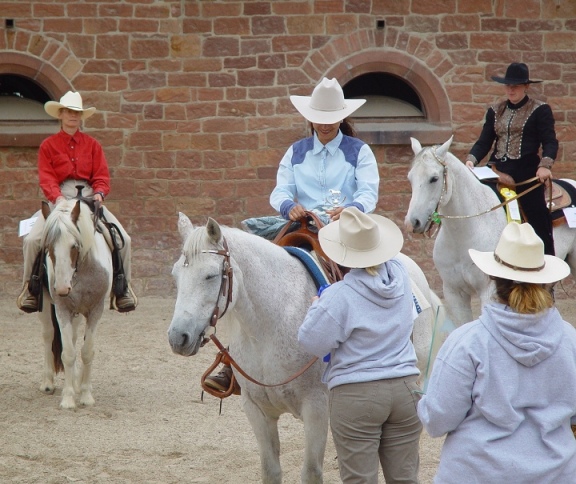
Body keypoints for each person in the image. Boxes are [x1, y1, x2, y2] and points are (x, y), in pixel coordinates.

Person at [206, 78, 380, 392]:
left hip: (344, 227)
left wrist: (351, 208)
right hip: (300, 225)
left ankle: (371, 345)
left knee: (369, 277)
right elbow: (281, 190)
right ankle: (234, 360)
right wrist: (289, 206)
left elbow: (369, 192)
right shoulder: (296, 152)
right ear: (310, 118)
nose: (324, 125)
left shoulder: (359, 151)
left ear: (341, 118)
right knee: (253, 276)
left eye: (331, 119)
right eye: (319, 118)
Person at [418, 222, 576, 483]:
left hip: (476, 473)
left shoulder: (467, 342)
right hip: (555, 475)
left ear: (493, 278)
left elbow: (437, 420)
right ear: (546, 281)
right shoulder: (570, 340)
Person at [297, 206, 422, 484]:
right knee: (405, 479)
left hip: (357, 394)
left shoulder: (339, 296)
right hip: (406, 389)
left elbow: (311, 341)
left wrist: (317, 307)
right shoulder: (401, 275)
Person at [17, 91, 137, 313]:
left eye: (77, 112)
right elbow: (47, 177)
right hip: (59, 197)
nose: (73, 116)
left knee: (124, 240)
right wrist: (58, 198)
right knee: (32, 239)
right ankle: (30, 289)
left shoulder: (93, 145)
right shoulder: (48, 146)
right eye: (69, 112)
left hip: (89, 197)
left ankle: (123, 289)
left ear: (81, 116)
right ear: (60, 114)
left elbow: (101, 175)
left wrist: (99, 193)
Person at [465, 62, 558, 255]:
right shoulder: (495, 110)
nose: (511, 89)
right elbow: (484, 141)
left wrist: (545, 165)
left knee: (537, 213)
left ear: (526, 86)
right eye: (508, 85)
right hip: (496, 169)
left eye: (515, 86)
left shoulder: (540, 110)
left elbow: (549, 141)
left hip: (526, 172)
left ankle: (547, 258)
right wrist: (471, 159)